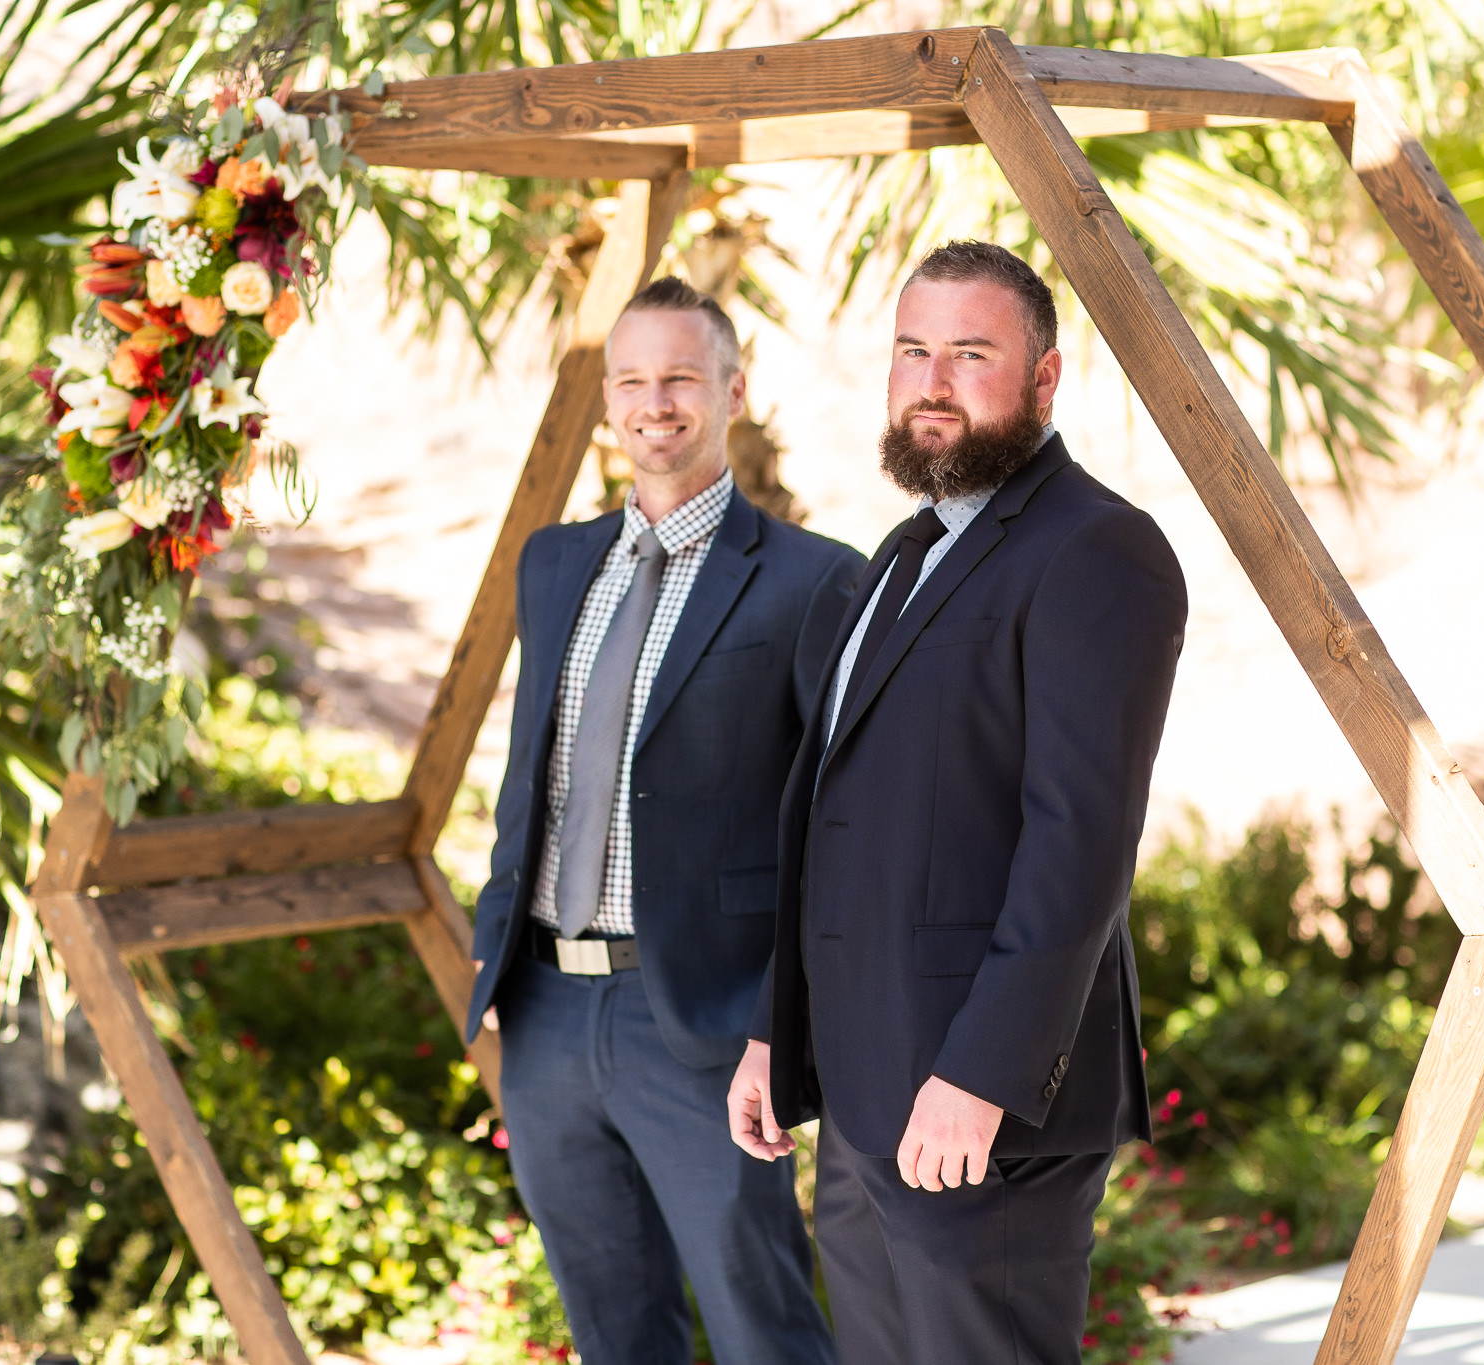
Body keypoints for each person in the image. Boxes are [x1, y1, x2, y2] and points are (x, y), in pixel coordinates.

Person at [727, 240, 1189, 1362]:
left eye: (969, 353)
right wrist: (770, 1034)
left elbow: (1077, 849)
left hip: (978, 1111)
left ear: (1042, 379)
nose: (931, 382)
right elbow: (836, 825)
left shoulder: (1099, 551)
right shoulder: (899, 553)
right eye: (912, 351)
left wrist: (979, 1075)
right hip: (863, 1093)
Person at [466, 276, 861, 1365]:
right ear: (606, 402)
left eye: (681, 377)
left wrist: (782, 1027)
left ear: (733, 392)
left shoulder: (812, 580)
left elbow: (833, 828)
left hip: (703, 1026)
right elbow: (530, 770)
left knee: (760, 1326)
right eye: (632, 380)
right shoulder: (553, 563)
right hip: (543, 1012)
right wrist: (488, 963)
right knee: (611, 1331)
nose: (655, 402)